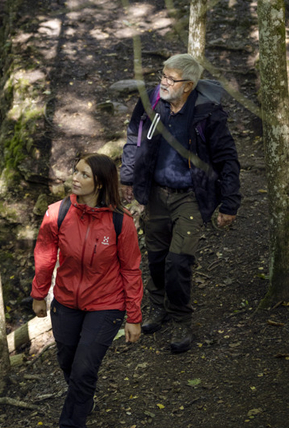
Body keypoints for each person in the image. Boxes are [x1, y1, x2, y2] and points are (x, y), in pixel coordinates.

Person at [120, 53, 241, 354]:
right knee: (157, 259)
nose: (163, 82)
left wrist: (230, 203)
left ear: (188, 86)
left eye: (170, 79)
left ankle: (181, 319)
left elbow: (227, 160)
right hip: (156, 194)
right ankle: (158, 307)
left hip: (190, 196)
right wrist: (127, 176)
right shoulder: (152, 101)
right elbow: (133, 136)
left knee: (179, 261)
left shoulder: (207, 114)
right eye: (162, 75)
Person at [31, 153, 143, 428]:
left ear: (101, 184)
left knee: (83, 369)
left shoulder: (121, 222)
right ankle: (84, 397)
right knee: (68, 361)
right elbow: (45, 256)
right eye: (76, 171)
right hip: (66, 300)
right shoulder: (57, 213)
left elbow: (131, 270)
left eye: (84, 175)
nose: (75, 178)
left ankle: (70, 422)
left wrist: (134, 316)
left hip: (107, 304)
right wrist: (38, 294)